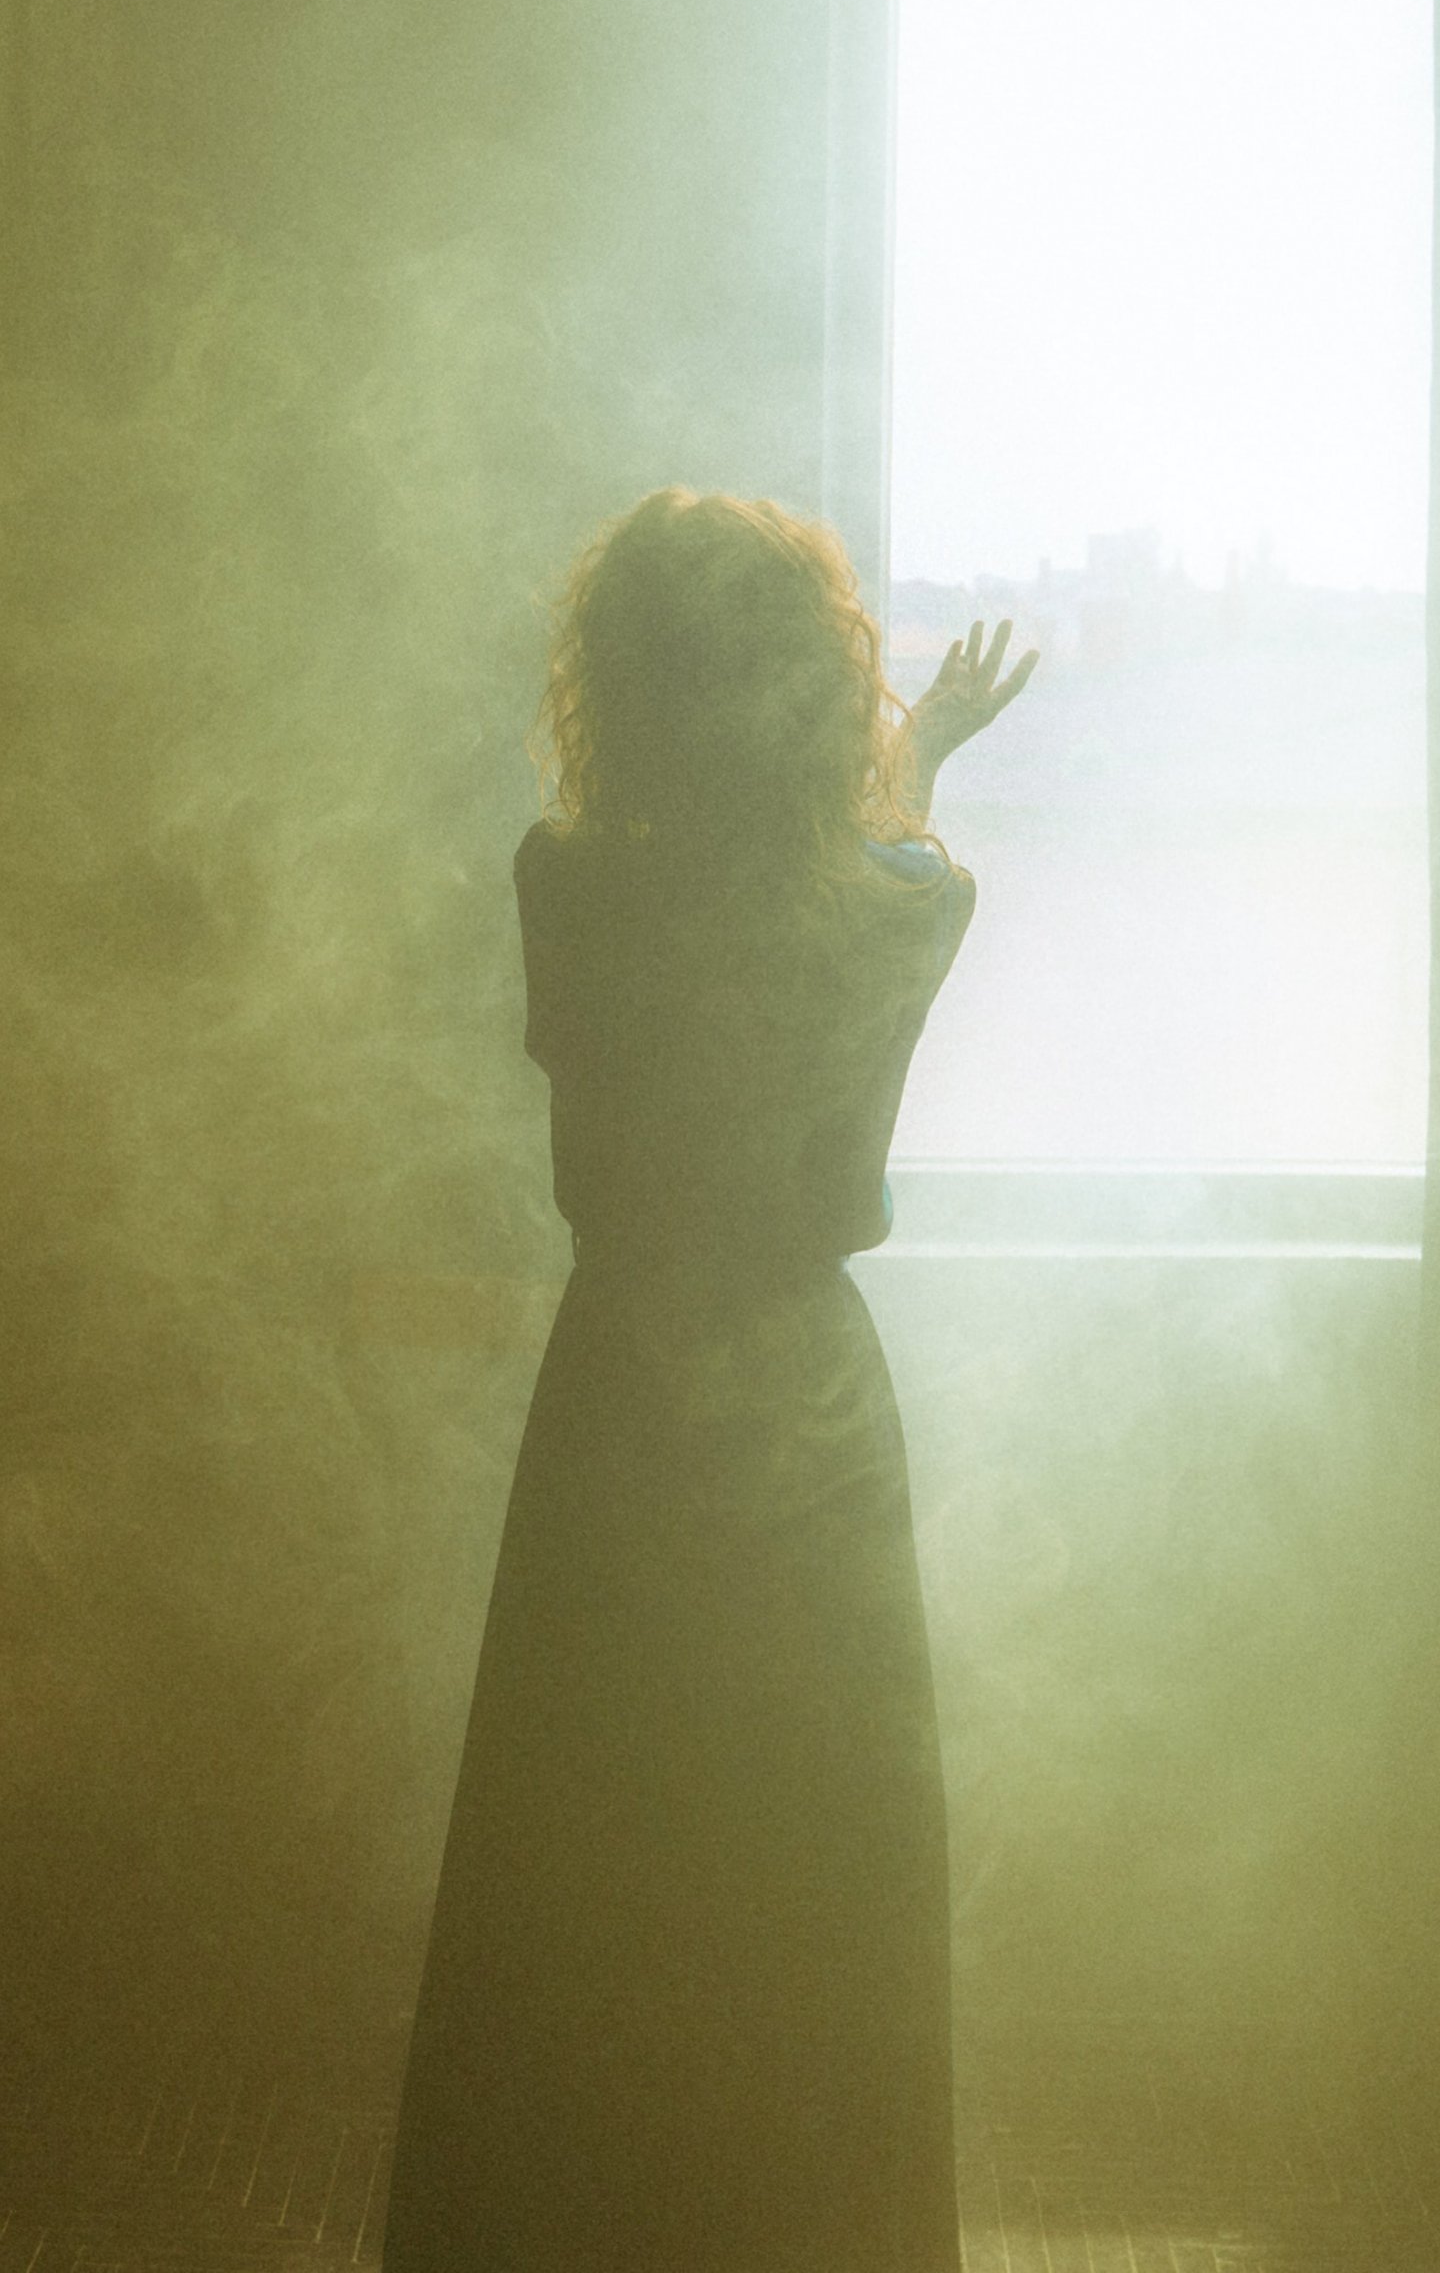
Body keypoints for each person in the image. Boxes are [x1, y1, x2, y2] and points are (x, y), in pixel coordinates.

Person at [381, 488, 1038, 2273]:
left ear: (620, 682)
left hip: (619, 1393)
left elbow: (713, 906)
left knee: (588, 1849)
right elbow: (867, 874)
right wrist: (924, 750)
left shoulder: (566, 882)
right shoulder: (917, 902)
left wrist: (902, 758)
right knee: (810, 1864)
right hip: (807, 1404)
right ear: (825, 687)